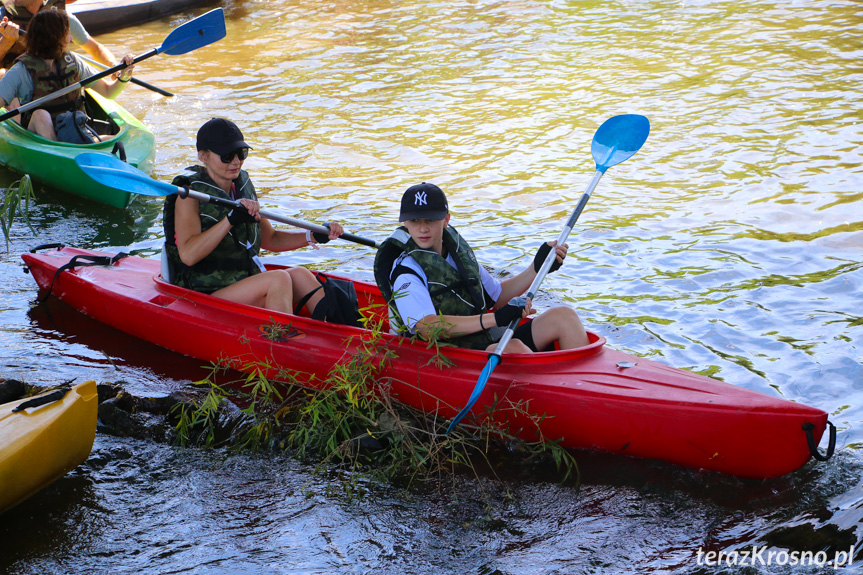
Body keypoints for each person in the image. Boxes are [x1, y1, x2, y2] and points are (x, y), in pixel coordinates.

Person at [374, 182, 591, 353]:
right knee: (513, 348)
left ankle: (585, 386)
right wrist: (496, 319)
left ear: (446, 220)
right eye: (414, 221)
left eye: (430, 219)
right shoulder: (407, 272)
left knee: (564, 316)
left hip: (479, 340)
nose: (422, 228)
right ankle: (563, 398)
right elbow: (428, 327)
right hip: (444, 355)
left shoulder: (457, 254)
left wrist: (537, 267)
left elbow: (496, 296)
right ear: (405, 224)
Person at [163, 117, 345, 317]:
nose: (236, 161)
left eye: (241, 153)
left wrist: (313, 235)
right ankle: (282, 341)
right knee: (278, 279)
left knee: (300, 275)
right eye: (227, 155)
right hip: (204, 295)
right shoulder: (189, 195)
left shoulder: (241, 186)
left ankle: (342, 335)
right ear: (203, 156)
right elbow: (188, 255)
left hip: (241, 283)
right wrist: (230, 220)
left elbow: (271, 239)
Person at [0, 9, 134, 140]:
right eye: (67, 34)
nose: (71, 38)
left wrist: (124, 77)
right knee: (40, 115)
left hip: (73, 130)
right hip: (40, 137)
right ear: (54, 38)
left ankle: (84, 145)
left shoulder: (72, 61)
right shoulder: (21, 70)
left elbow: (108, 91)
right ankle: (59, 152)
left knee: (117, 142)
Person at [0, 0, 117, 80]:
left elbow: (96, 49)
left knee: (73, 73)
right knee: (3, 74)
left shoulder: (59, 17)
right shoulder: (3, 15)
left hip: (50, 81)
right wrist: (7, 41)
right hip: (17, 84)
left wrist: (115, 67)